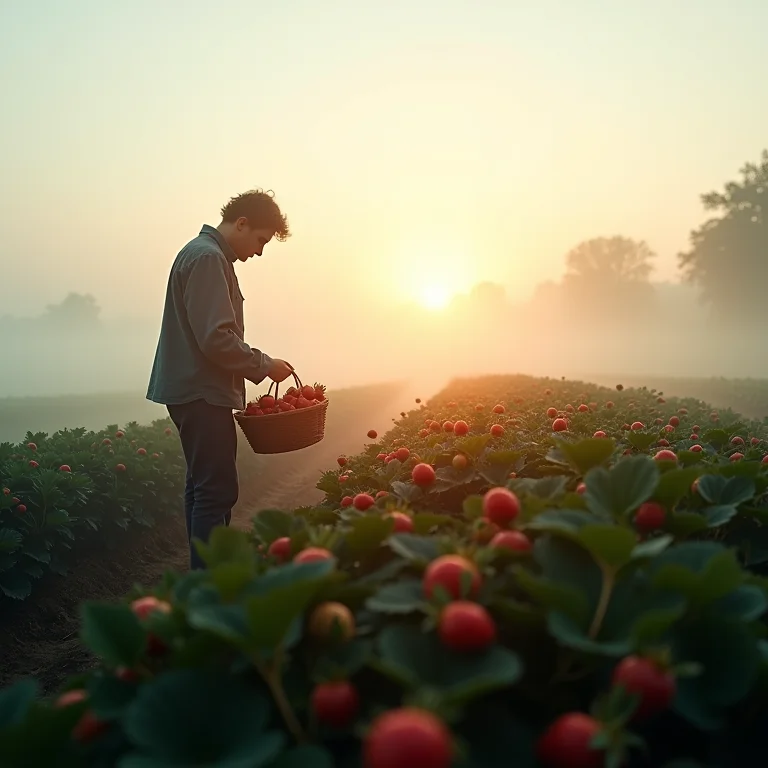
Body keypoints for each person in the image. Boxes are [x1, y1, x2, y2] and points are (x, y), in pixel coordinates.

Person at [146, 188, 294, 569]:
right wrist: (264, 365)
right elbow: (216, 339)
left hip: (191, 389)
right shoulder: (209, 259)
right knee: (217, 490)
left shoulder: (202, 254)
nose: (259, 251)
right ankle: (211, 586)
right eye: (260, 240)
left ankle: (204, 580)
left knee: (202, 488)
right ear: (241, 223)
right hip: (201, 391)